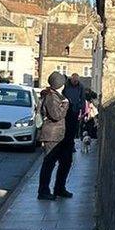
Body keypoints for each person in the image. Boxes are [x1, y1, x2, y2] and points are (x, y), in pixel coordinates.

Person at [38, 71, 72, 200]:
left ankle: (59, 188)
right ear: (60, 84)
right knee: (49, 163)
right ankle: (43, 191)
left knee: (66, 161)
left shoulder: (56, 95)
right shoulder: (52, 97)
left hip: (59, 135)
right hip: (52, 135)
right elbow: (56, 115)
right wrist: (66, 104)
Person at [62, 73, 86, 140]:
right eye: (74, 80)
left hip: (75, 109)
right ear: (71, 79)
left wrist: (82, 109)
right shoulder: (66, 85)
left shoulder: (81, 86)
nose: (75, 82)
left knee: (73, 127)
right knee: (66, 127)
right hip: (66, 109)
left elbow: (83, 98)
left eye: (76, 81)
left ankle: (71, 142)